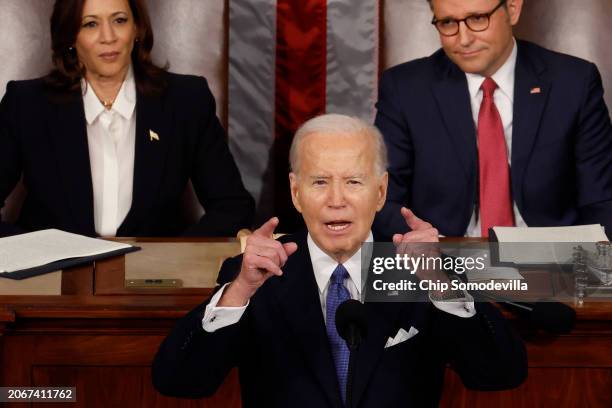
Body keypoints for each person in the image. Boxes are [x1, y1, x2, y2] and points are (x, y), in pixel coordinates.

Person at [152, 114, 527, 407]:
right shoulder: (254, 275)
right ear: (296, 194)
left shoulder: (422, 272)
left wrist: (441, 284)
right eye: (319, 182)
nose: (336, 199)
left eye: (353, 181)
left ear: (380, 192)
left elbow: (501, 374)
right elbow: (179, 382)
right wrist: (240, 291)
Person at [0, 0, 254, 237]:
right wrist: (31, 254)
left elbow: (232, 207)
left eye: (119, 20)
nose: (108, 37)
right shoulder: (27, 104)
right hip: (51, 277)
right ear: (70, 37)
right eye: (91, 24)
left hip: (153, 279)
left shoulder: (186, 100)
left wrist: (176, 258)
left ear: (137, 29)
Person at [374, 0, 612, 240]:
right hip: (442, 262)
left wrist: (584, 267)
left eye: (478, 19)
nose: (464, 39)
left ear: (512, 9)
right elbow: (380, 199)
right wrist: (418, 239)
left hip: (554, 260)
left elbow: (602, 199)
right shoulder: (405, 89)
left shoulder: (574, 83)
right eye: (448, 22)